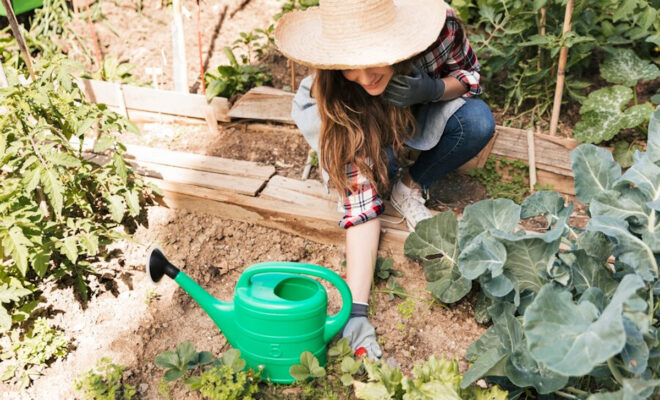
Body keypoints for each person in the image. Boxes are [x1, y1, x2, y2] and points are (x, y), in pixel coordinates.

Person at [274, 0, 495, 360]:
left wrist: (433, 90)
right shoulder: (336, 93)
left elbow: (468, 75)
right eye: (351, 68)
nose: (365, 77)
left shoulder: (440, 29)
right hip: (356, 115)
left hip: (416, 95)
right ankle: (378, 161)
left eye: (374, 61)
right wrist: (356, 311)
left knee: (478, 122)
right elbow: (360, 201)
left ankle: (411, 184)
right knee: (375, 168)